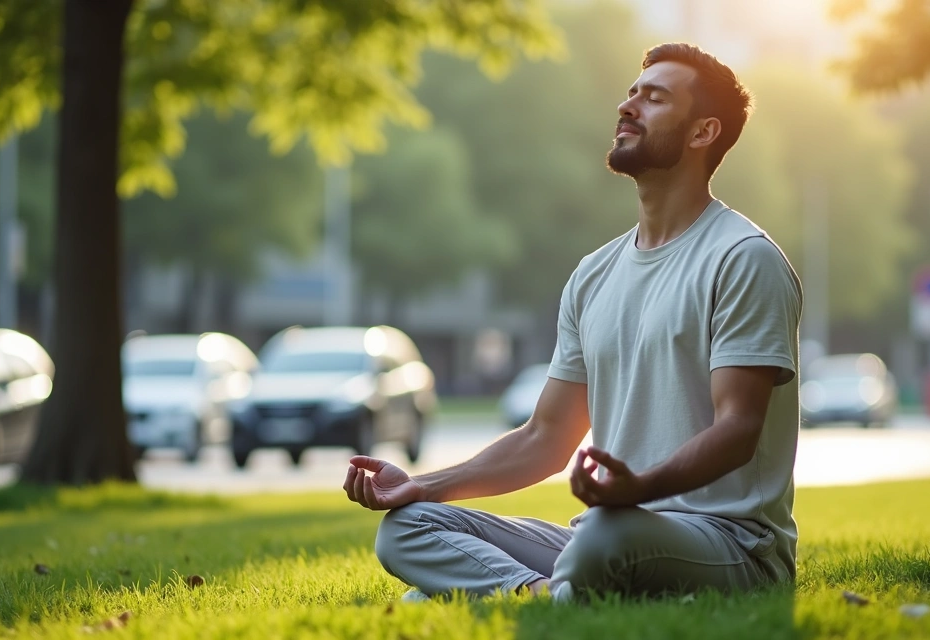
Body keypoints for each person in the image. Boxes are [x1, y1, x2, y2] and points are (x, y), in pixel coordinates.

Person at [343, 42, 803, 602]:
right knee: (407, 529)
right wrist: (421, 485)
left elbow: (737, 430)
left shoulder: (742, 257)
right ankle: (545, 597)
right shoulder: (594, 275)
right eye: (631, 93)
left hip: (731, 545)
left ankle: (496, 595)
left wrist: (640, 489)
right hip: (606, 533)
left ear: (702, 133)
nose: (627, 106)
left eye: (654, 98)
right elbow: (545, 437)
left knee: (599, 539)